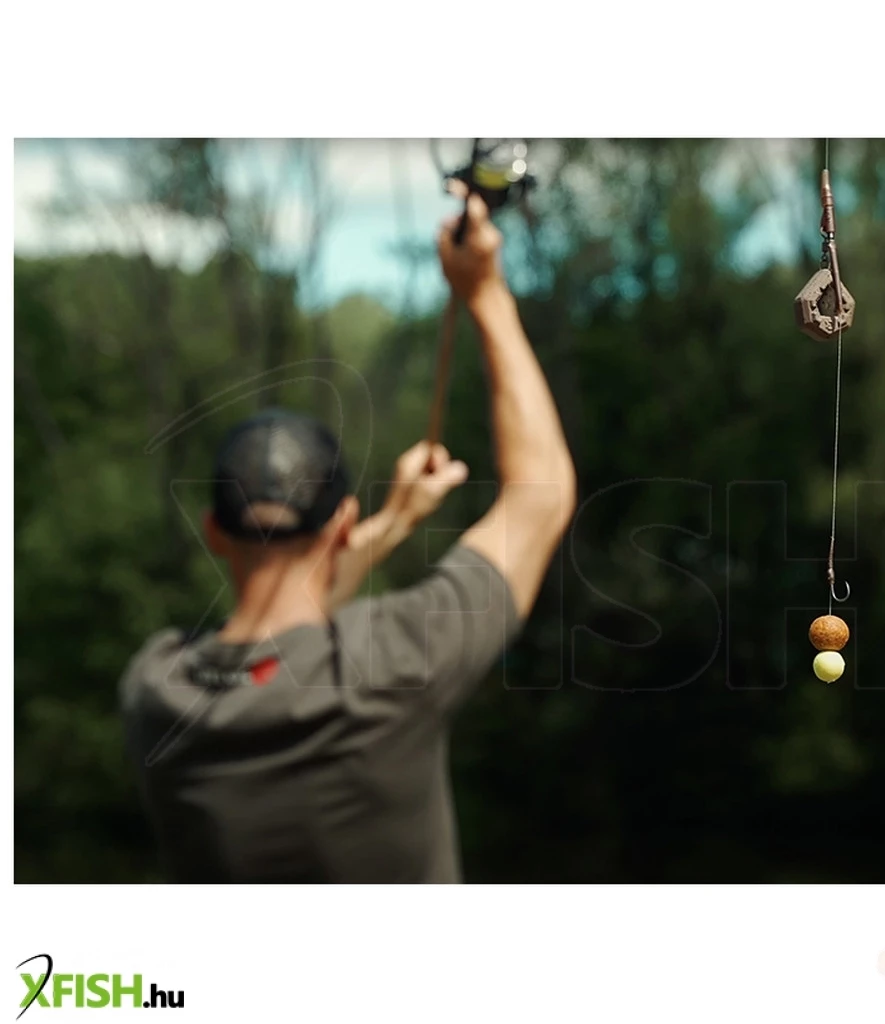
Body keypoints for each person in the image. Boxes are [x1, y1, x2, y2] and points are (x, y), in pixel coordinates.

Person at [119, 192, 576, 883]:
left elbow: (282, 648)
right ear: (340, 525)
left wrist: (391, 523)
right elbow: (540, 497)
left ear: (214, 531)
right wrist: (485, 291)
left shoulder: (157, 692)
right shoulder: (392, 664)